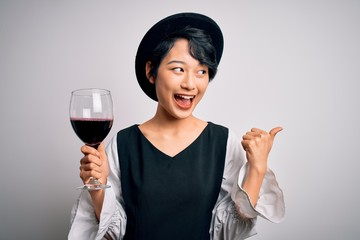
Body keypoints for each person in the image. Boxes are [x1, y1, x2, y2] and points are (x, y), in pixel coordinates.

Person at [68, 12, 285, 240]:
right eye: (178, 69)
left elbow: (233, 232)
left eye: (201, 71)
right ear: (151, 71)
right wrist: (98, 187)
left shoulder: (223, 142)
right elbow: (113, 233)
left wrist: (257, 167)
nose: (190, 84)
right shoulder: (123, 144)